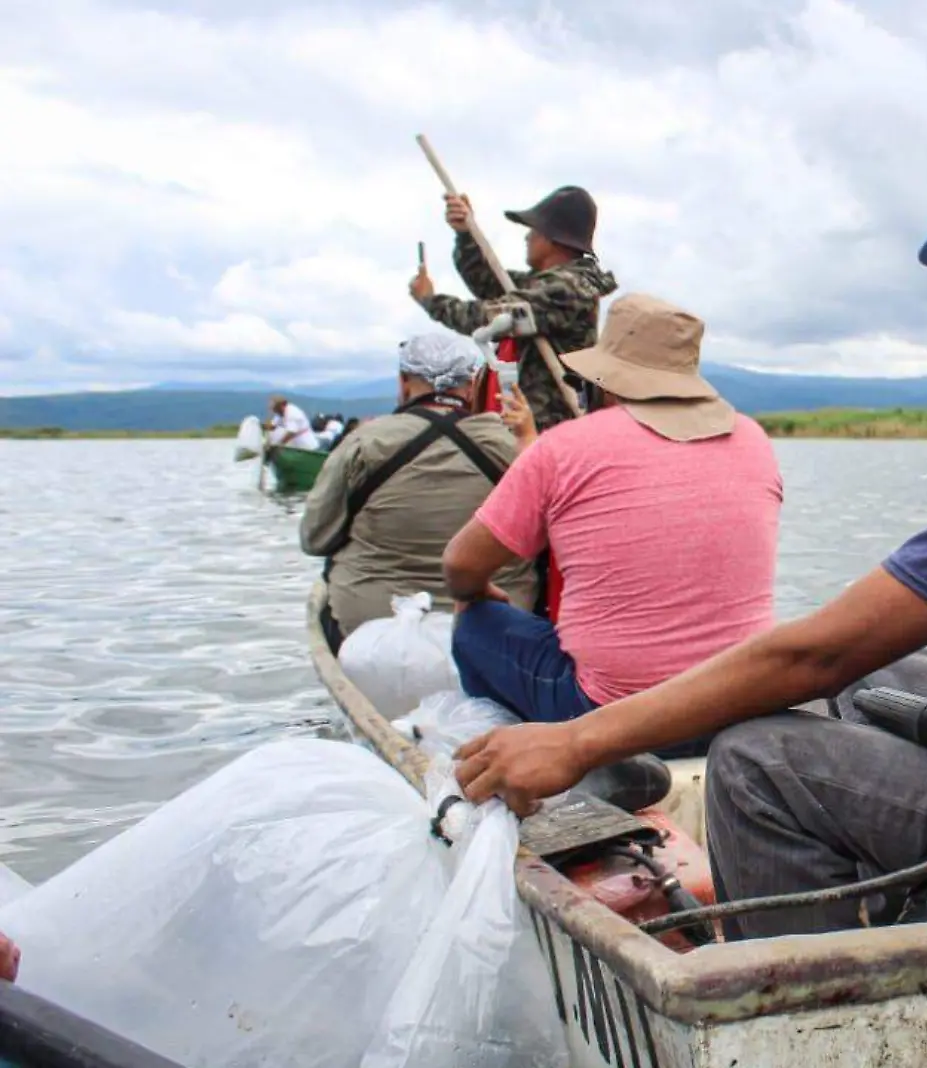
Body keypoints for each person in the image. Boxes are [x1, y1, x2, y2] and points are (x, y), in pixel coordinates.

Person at [450, 161, 927, 938]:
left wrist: (575, 740)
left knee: (755, 763)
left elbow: (814, 656)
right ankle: (883, 892)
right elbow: (841, 654)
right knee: (869, 676)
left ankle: (822, 1004)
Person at [441, 292, 783, 760]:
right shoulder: (753, 440)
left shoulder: (564, 446)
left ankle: (520, 749)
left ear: (605, 383)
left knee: (476, 624)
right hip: (737, 705)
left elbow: (459, 566)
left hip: (609, 715)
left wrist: (478, 591)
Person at [300, 333, 538, 651]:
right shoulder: (514, 447)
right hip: (496, 630)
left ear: (403, 383)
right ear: (471, 385)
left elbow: (315, 539)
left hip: (372, 629)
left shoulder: (362, 443)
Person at [410, 185, 619, 433]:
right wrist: (466, 234)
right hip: (536, 426)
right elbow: (488, 281)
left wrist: (430, 300)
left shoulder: (566, 289)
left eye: (533, 230)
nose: (527, 238)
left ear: (553, 238)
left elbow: (489, 319)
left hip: (550, 430)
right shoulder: (551, 284)